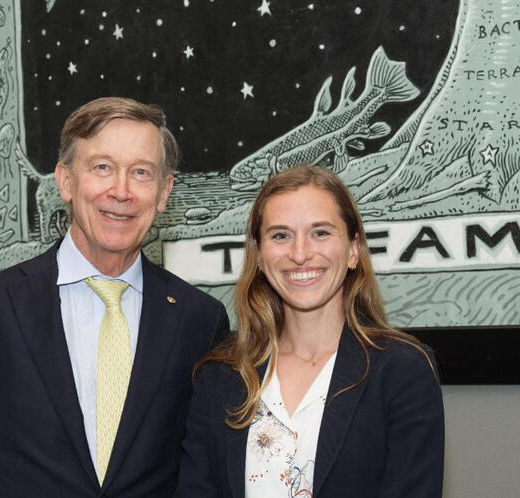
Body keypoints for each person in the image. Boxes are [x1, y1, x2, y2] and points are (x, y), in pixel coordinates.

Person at [0, 97, 229, 497]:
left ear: (163, 191)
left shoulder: (200, 320)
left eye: (141, 172)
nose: (121, 191)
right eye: (102, 167)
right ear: (65, 181)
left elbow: (205, 466)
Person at [176, 165, 444, 498]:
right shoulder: (221, 374)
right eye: (280, 235)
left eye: (320, 233)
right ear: (259, 256)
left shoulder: (403, 370)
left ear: (353, 249)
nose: (300, 254)